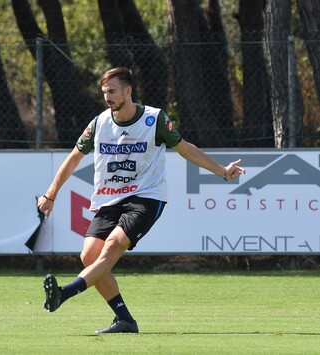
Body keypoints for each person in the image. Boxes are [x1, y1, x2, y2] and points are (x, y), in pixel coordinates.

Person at [37, 67, 245, 334]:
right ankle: (124, 320)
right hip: (109, 199)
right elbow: (73, 158)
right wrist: (51, 194)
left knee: (112, 247)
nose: (107, 97)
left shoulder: (154, 119)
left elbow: (185, 149)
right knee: (89, 255)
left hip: (146, 197)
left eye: (112, 92)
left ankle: (64, 294)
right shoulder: (100, 123)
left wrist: (222, 171)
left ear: (128, 91)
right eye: (104, 93)